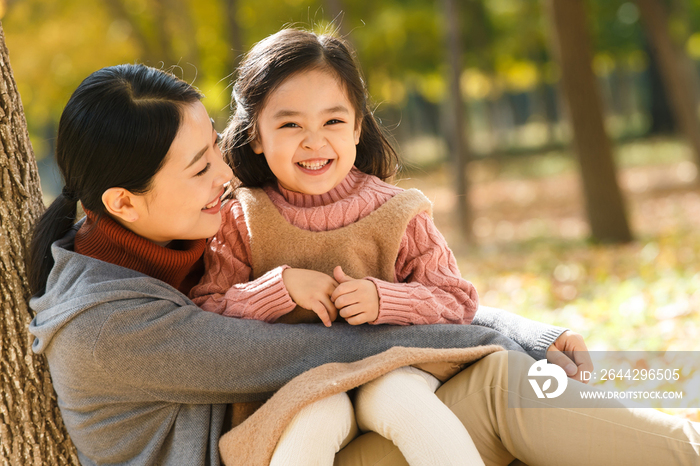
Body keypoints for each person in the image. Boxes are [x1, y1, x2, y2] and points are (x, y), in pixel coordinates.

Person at [26, 63, 698, 466]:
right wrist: (504, 335)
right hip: (286, 446)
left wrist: (528, 331)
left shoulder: (183, 241)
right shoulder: (102, 327)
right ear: (124, 202)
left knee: (514, 375)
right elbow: (320, 346)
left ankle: (677, 413)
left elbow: (391, 302)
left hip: (323, 428)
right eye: (200, 165)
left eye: (215, 149)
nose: (224, 172)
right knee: (498, 384)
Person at [187, 27, 492, 466]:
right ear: (255, 135)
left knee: (401, 399)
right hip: (292, 383)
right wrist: (281, 288)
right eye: (290, 124)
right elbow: (206, 311)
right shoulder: (241, 218)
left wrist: (385, 299)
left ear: (357, 127)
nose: (314, 141)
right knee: (314, 415)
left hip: (392, 367)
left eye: (332, 121)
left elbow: (457, 300)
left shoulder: (399, 211)